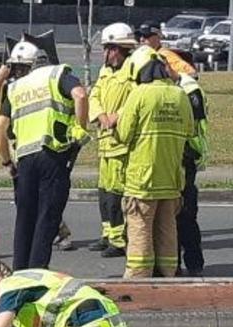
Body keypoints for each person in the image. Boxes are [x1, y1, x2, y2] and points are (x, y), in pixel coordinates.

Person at [0, 40, 88, 270]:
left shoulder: (15, 88)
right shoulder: (57, 75)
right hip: (53, 156)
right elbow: (81, 96)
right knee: (47, 219)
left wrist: (8, 163)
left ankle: (19, 273)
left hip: (25, 160)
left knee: (25, 220)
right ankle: (37, 273)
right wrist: (80, 129)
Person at [112, 52, 193, 279]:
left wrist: (113, 124)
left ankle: (139, 275)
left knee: (139, 227)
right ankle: (168, 271)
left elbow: (124, 134)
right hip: (171, 177)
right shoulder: (180, 95)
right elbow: (189, 131)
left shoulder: (140, 93)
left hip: (143, 179)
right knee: (167, 228)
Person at [89, 23, 138, 259]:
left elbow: (137, 100)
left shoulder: (132, 69)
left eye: (109, 49)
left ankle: (119, 241)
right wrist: (100, 116)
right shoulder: (105, 71)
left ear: (121, 48)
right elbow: (95, 95)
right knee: (104, 192)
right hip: (105, 140)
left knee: (117, 192)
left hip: (121, 142)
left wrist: (118, 116)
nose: (106, 54)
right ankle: (107, 234)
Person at [176, 61, 209, 277]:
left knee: (185, 214)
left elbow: (194, 126)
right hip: (173, 156)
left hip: (186, 156)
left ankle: (194, 264)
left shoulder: (189, 89)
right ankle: (174, 265)